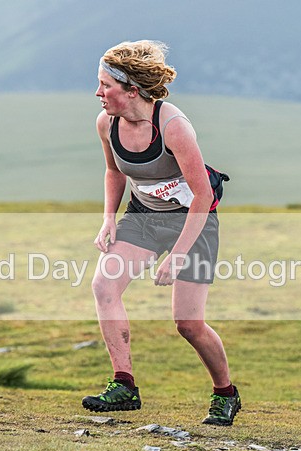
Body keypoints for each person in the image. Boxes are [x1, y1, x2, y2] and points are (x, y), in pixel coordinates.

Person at [81, 40, 240, 426]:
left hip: (193, 221)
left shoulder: (173, 127)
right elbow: (115, 171)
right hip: (145, 218)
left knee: (188, 324)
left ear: (132, 90)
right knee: (104, 286)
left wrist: (179, 254)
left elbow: (202, 195)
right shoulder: (106, 124)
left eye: (106, 85)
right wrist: (108, 219)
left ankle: (226, 394)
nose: (98, 93)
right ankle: (124, 385)